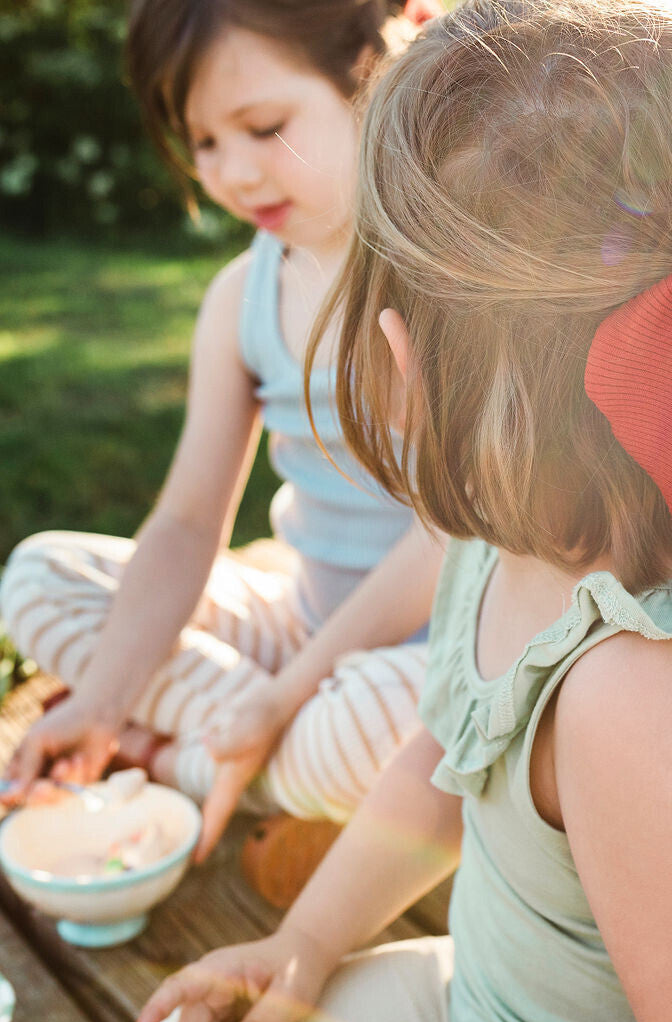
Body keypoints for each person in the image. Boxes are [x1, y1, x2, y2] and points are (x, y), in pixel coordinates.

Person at [136, 0, 672, 1020]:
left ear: (402, 363)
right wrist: (305, 942)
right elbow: (445, 758)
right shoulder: (499, 544)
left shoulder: (650, 704)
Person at [0, 0, 445, 877]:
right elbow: (187, 523)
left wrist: (284, 698)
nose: (234, 173)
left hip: (443, 643)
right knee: (40, 576)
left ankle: (181, 760)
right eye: (204, 142)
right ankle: (248, 754)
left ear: (375, 70)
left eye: (264, 127)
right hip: (305, 619)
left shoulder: (444, 280)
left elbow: (452, 536)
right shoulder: (240, 298)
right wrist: (100, 699)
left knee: (382, 728)